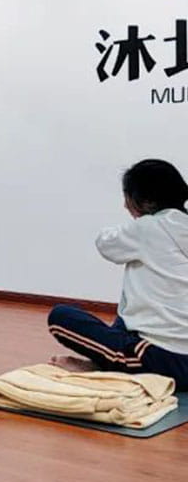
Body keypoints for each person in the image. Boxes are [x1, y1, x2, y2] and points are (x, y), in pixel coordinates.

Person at [48, 159, 188, 388]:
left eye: (127, 197)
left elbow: (105, 243)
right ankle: (108, 362)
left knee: (60, 317)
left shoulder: (148, 228)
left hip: (166, 360)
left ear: (146, 202)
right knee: (128, 312)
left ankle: (108, 365)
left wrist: (138, 225)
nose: (125, 205)